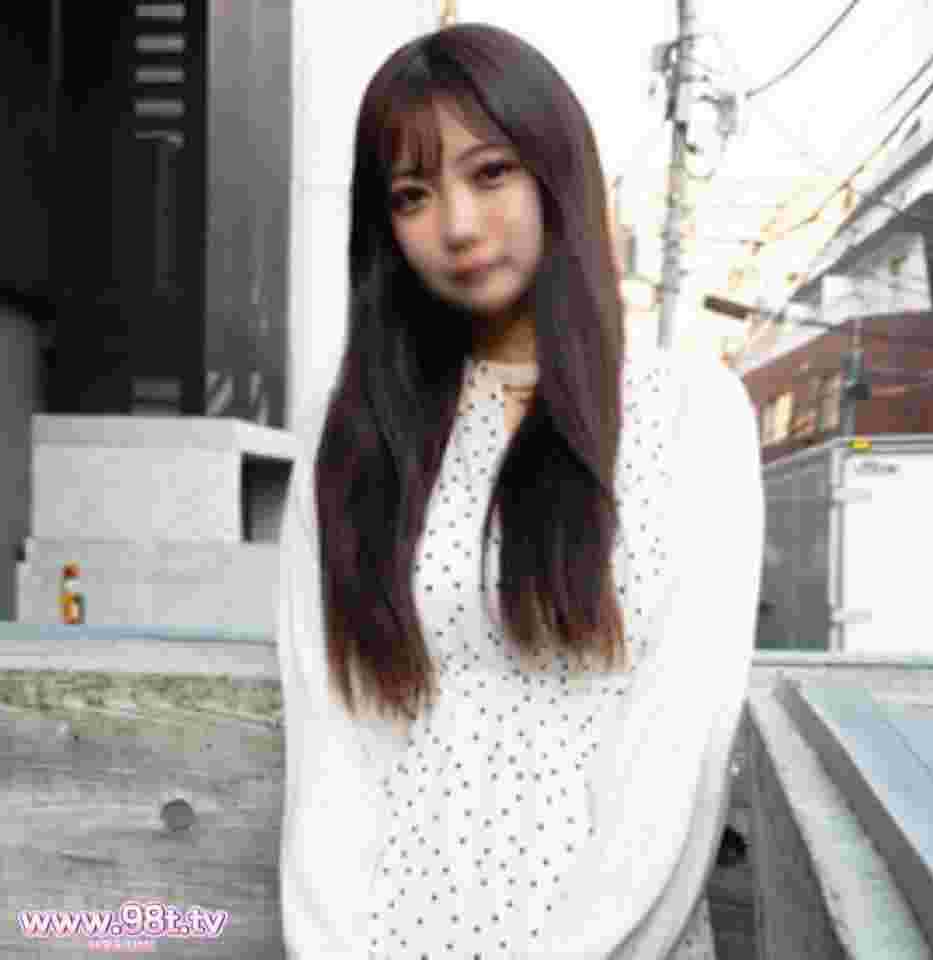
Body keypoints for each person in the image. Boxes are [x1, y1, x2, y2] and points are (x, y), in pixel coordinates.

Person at [276, 22, 764, 960]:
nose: (457, 226)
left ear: (555, 170)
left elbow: (679, 744)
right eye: (412, 195)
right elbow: (333, 746)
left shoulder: (691, 415)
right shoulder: (350, 432)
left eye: (490, 173)